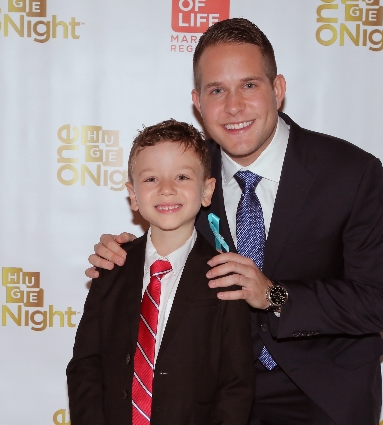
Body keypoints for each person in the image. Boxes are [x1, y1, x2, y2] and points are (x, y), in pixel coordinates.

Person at [85, 19, 383, 425]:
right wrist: (126, 256)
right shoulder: (185, 176)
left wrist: (275, 295)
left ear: (278, 90)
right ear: (198, 102)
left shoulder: (348, 173)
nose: (233, 106)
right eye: (217, 90)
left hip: (322, 394)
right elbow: (166, 247)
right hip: (210, 400)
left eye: (249, 85)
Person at [67, 119, 255, 425]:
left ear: (207, 190)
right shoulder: (112, 267)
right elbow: (85, 365)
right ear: (133, 194)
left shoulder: (225, 275)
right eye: (151, 179)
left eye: (182, 176)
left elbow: (236, 385)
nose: (167, 189)